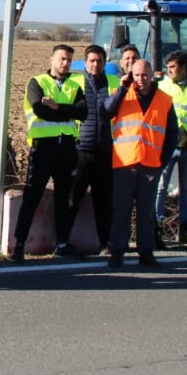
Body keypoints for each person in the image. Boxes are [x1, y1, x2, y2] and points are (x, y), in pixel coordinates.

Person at [12, 44, 86, 262]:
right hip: (43, 147)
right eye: (62, 59)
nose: (66, 63)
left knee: (64, 199)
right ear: (51, 59)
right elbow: (39, 110)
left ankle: (62, 244)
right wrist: (65, 112)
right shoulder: (37, 82)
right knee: (32, 196)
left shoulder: (76, 83)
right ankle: (19, 244)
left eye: (69, 60)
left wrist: (56, 107)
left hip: (67, 149)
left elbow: (83, 111)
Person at [106, 59, 180, 268]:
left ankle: (145, 252)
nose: (140, 79)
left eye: (144, 75)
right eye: (137, 75)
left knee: (146, 212)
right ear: (131, 75)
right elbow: (106, 112)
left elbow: (172, 135)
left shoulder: (164, 99)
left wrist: (161, 161)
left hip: (150, 164)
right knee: (121, 210)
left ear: (152, 75)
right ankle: (118, 251)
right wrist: (121, 88)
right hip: (124, 162)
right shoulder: (121, 93)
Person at [68, 45, 120, 253]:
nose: (95, 64)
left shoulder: (114, 83)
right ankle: (63, 242)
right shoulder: (75, 82)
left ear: (105, 63)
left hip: (106, 150)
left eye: (99, 61)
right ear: (85, 62)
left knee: (103, 201)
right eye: (91, 61)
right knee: (73, 199)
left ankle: (105, 243)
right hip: (80, 149)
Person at [155, 52, 187, 247]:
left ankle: (184, 231)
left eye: (173, 67)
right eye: (167, 68)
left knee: (186, 190)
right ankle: (156, 229)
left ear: (184, 67)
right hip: (167, 146)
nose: (169, 71)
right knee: (161, 188)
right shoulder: (161, 87)